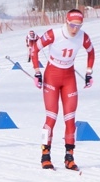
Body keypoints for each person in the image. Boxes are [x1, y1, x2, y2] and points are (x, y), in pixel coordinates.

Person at [31, 9, 95, 171]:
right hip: (52, 76)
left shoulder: (83, 36)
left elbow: (91, 52)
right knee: (51, 117)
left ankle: (69, 157)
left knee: (70, 120)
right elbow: (35, 49)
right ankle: (45, 155)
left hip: (69, 78)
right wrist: (37, 72)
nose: (75, 29)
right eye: (72, 25)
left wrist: (89, 72)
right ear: (66, 22)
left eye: (78, 26)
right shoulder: (54, 34)